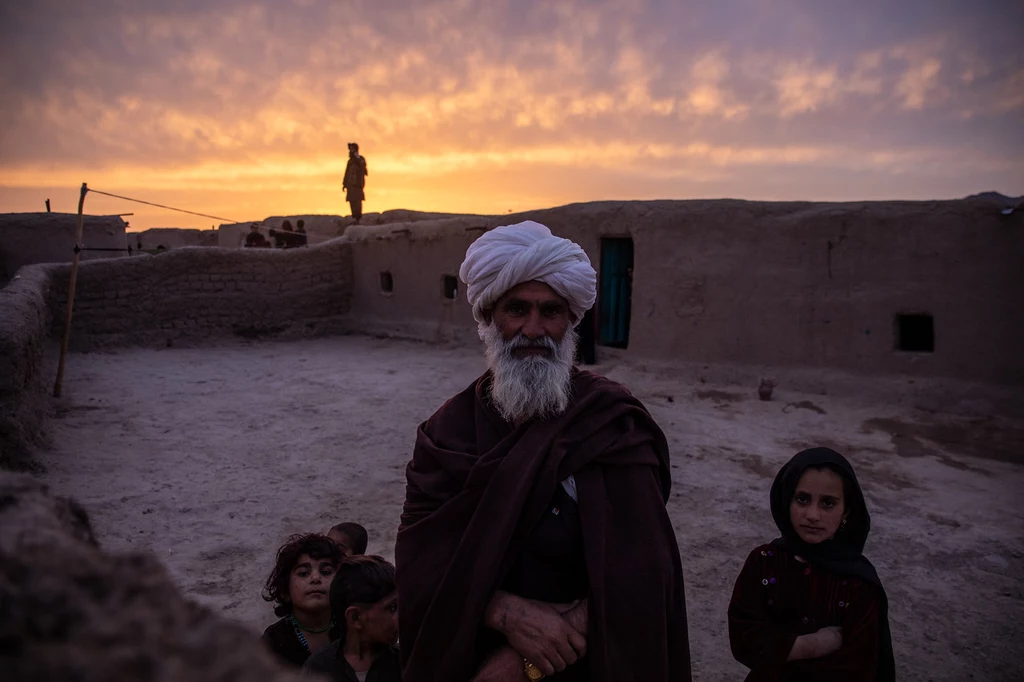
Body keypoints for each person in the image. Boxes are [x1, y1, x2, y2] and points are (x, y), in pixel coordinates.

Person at [395, 220, 691, 681]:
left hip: (588, 658)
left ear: (570, 322)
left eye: (550, 311)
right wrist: (505, 614)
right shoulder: (447, 435)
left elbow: (644, 569)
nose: (533, 330)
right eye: (517, 309)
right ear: (490, 317)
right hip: (474, 654)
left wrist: (535, 653)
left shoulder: (612, 423)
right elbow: (421, 560)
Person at [728, 447, 895, 682]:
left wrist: (780, 652)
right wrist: (808, 646)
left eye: (828, 503)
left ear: (846, 510)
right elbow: (744, 637)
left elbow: (860, 664)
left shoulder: (859, 583)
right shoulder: (764, 562)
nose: (813, 515)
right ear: (787, 500)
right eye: (802, 499)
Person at [304, 555, 402, 681]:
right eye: (392, 608)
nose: (401, 617)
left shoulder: (403, 663)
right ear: (355, 618)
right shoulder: (318, 668)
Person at [261, 533, 343, 667]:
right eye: (304, 573)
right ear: (285, 591)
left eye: (326, 572)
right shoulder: (273, 643)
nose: (316, 578)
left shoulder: (351, 628)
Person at [343, 143, 368, 224]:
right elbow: (346, 173)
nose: (350, 151)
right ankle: (354, 217)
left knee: (357, 201)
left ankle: (358, 217)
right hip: (350, 185)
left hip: (357, 184)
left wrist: (356, 156)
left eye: (352, 149)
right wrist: (344, 184)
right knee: (351, 201)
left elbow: (363, 165)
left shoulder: (360, 159)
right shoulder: (350, 162)